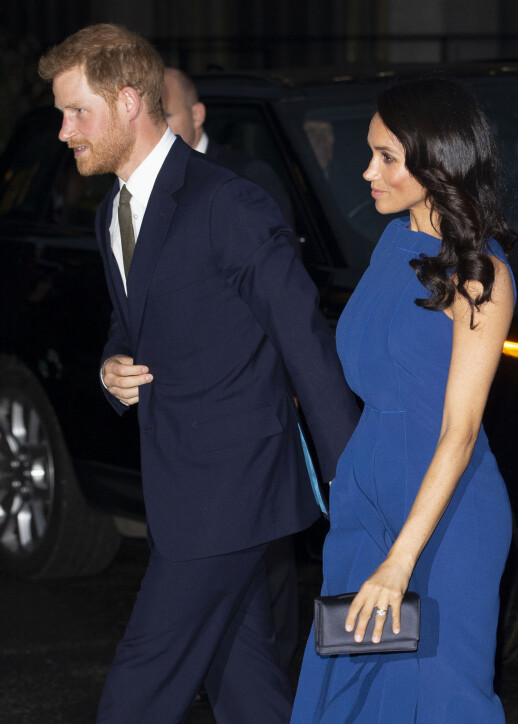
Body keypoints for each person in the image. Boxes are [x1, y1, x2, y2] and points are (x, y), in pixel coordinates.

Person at [38, 23, 360, 724]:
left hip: (230, 494)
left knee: (137, 690)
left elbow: (303, 338)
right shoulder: (112, 213)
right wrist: (109, 367)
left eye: (76, 112)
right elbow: (134, 322)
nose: (63, 131)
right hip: (181, 490)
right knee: (247, 691)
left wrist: (357, 479)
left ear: (128, 103)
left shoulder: (228, 203)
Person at [290, 76, 518, 724]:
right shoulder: (393, 245)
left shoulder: (478, 274)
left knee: (442, 701)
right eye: (370, 152)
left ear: (436, 158)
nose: (367, 170)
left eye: (386, 156)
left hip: (443, 521)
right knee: (345, 694)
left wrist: (401, 560)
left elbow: (459, 430)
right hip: (368, 503)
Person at [162, 64, 300, 674]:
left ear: (197, 117)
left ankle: (279, 669)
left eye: (169, 113)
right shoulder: (140, 191)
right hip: (185, 424)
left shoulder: (243, 181)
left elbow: (281, 299)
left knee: (268, 562)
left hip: (248, 407)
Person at [162, 66, 295, 231]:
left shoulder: (247, 176)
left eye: (165, 116)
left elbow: (278, 252)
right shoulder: (139, 178)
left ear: (196, 115)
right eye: (150, 119)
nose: (157, 129)